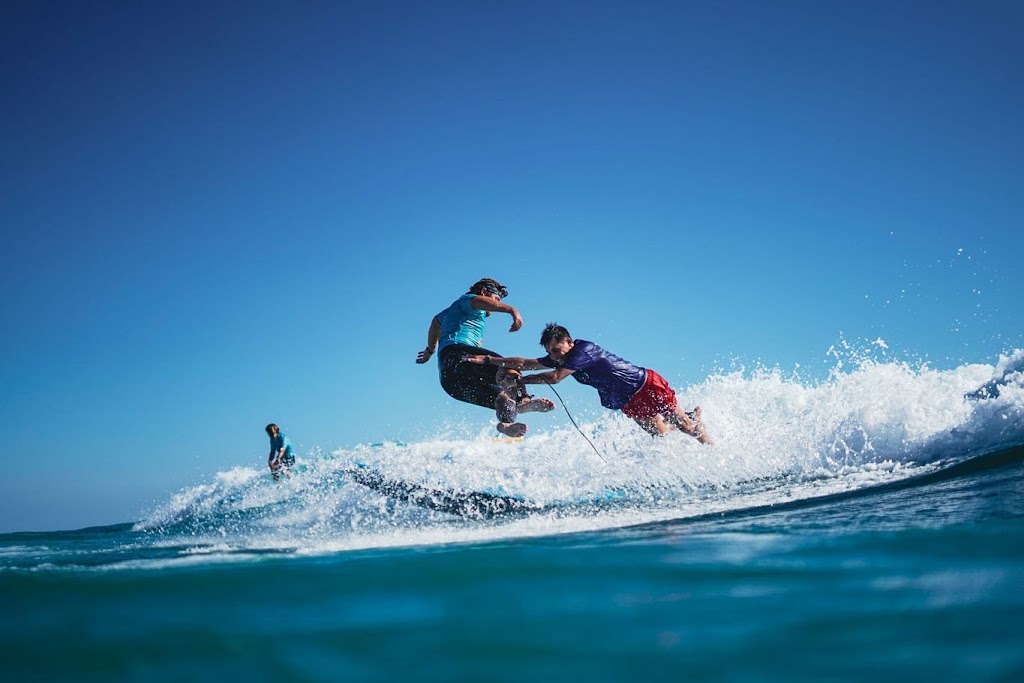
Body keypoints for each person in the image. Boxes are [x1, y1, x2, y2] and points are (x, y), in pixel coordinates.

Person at [465, 323, 713, 444]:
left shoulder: (583, 350)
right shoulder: (559, 357)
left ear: (569, 341)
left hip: (643, 385)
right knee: (660, 434)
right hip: (627, 399)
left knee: (688, 428)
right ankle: (686, 416)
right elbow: (526, 361)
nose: (555, 357)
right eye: (551, 353)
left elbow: (555, 378)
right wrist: (489, 360)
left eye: (557, 350)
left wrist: (522, 380)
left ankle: (714, 449)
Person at [416, 278, 554, 437]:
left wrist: (430, 351)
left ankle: (506, 424)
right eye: (495, 299)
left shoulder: (449, 313)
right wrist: (512, 310)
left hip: (450, 381)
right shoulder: (467, 300)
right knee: (509, 367)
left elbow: (435, 323)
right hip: (457, 354)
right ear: (483, 292)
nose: (495, 304)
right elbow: (479, 302)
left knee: (503, 397)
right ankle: (523, 401)